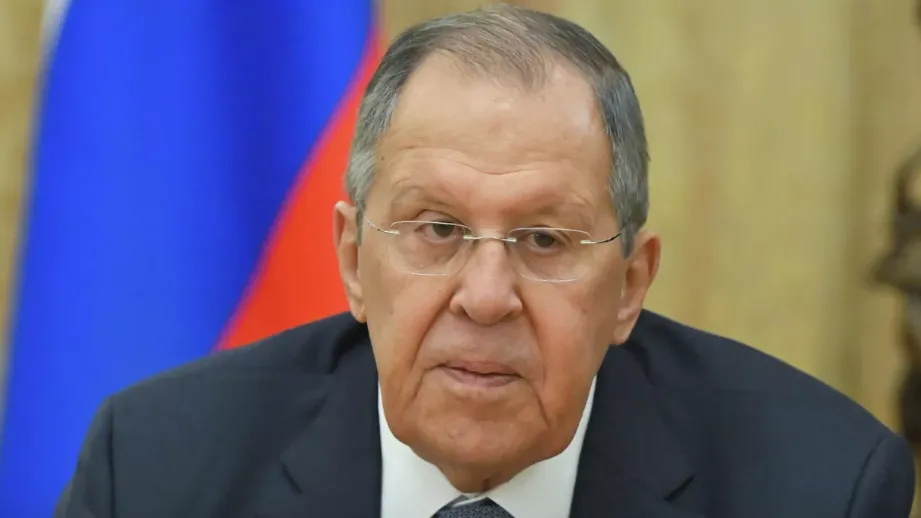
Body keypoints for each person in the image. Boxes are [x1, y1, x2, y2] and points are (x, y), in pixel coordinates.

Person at [56, 4, 915, 518]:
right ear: (352, 259)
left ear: (629, 286)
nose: (486, 295)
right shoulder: (158, 470)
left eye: (544, 240)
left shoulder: (816, 487)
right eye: (436, 229)